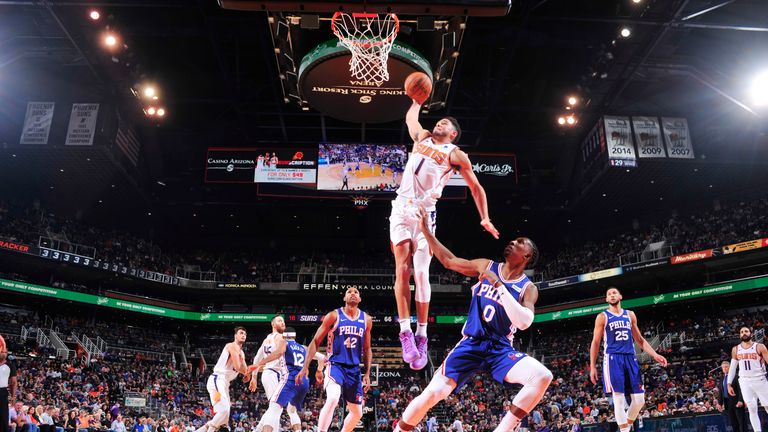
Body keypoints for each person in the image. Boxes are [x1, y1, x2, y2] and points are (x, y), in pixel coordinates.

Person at [394, 209, 551, 432]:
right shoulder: (486, 266)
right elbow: (449, 261)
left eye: (519, 243)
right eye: (513, 240)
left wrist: (498, 285)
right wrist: (426, 231)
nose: (512, 243)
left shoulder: (528, 287)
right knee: (433, 393)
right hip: (471, 343)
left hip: (500, 349)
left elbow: (525, 321)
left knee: (542, 376)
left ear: (527, 256)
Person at [392, 99, 499, 370]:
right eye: (439, 121)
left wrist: (484, 217)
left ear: (452, 134)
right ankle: (405, 332)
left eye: (446, 124)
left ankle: (422, 334)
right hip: (401, 210)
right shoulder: (422, 138)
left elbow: (476, 187)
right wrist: (416, 101)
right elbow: (410, 120)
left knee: (421, 274)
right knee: (402, 270)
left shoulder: (455, 154)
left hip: (426, 215)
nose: (439, 123)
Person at [589, 287, 668, 432]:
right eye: (609, 294)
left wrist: (655, 355)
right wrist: (592, 366)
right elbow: (595, 342)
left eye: (614, 293)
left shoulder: (630, 315)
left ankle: (626, 426)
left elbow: (639, 339)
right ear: (606, 299)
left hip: (630, 358)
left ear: (620, 296)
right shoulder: (602, 316)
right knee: (618, 399)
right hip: (613, 359)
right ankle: (625, 430)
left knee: (639, 400)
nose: (612, 295)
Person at [296, 288, 373, 432]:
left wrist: (367, 373)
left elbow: (367, 348)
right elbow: (315, 341)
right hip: (335, 364)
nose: (352, 293)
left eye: (356, 292)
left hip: (354, 369)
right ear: (344, 297)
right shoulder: (334, 315)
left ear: (360, 299)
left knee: (357, 413)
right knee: (332, 398)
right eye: (349, 291)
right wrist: (305, 367)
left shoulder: (366, 319)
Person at [253, 327, 325, 432]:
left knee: (274, 407)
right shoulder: (303, 347)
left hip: (291, 379)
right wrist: (319, 370)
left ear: (284, 336)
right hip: (304, 382)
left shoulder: (285, 344)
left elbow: (278, 353)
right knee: (291, 410)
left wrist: (259, 364)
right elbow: (322, 358)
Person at [195, 327, 256, 432]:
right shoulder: (231, 346)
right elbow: (238, 367)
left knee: (224, 419)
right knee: (224, 410)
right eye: (241, 333)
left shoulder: (241, 353)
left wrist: (249, 373)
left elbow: (246, 373)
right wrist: (248, 370)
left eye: (245, 334)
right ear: (235, 335)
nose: (243, 335)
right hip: (217, 380)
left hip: (224, 384)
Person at [250, 316, 288, 432]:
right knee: (276, 406)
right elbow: (258, 359)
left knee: (276, 407)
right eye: (279, 321)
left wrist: (254, 377)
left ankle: (258, 430)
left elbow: (257, 358)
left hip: (271, 374)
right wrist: (254, 377)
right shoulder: (279, 337)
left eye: (283, 320)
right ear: (273, 324)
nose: (282, 322)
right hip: (272, 373)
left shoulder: (267, 338)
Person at [727, 326, 768, 432]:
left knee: (767, 406)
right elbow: (732, 367)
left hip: (760, 379)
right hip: (744, 381)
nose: (744, 333)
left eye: (746, 331)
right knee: (751, 408)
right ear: (739, 335)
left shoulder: (760, 346)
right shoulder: (735, 349)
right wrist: (729, 383)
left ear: (751, 333)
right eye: (741, 332)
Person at [717, 360, 745, 432]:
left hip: (737, 401)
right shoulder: (722, 379)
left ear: (730, 367)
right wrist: (719, 403)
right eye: (723, 367)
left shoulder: (736, 376)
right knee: (733, 423)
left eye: (726, 367)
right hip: (727, 402)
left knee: (742, 423)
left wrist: (741, 400)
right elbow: (721, 392)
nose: (725, 369)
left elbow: (741, 390)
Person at [1, 348, 17, 432]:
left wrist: (13, 397)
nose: (4, 354)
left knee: (3, 417)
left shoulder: (10, 365)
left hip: (2, 392)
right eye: (2, 352)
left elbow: (13, 383)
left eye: (5, 352)